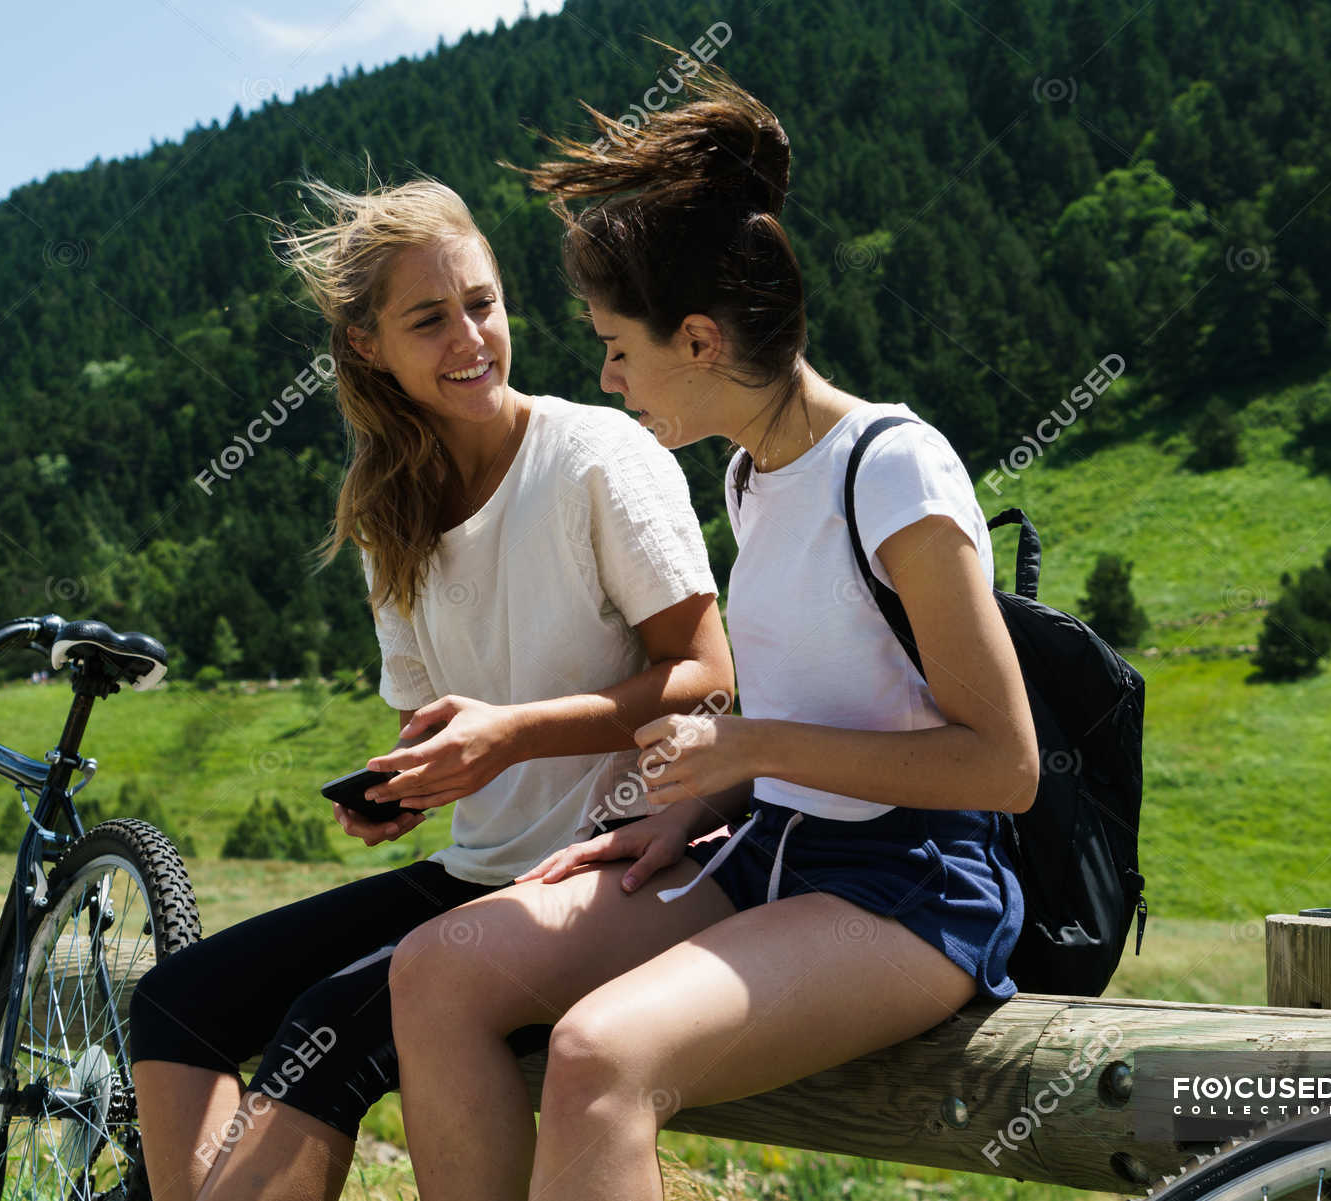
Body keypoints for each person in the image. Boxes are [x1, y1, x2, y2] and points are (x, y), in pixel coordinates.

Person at [387, 72, 1038, 1201]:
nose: (605, 377)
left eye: (616, 348)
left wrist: (745, 753)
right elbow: (824, 714)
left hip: (916, 891)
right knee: (439, 969)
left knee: (601, 1055)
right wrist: (694, 807)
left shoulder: (895, 470)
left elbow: (1004, 764)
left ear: (696, 338)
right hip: (770, 850)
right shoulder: (750, 477)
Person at [126, 176, 734, 1201]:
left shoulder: (597, 458)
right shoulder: (390, 508)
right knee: (178, 999)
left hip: (616, 870)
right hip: (479, 871)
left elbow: (709, 681)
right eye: (430, 318)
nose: (472, 339)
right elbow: (437, 713)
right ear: (369, 344)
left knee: (325, 1026)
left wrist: (510, 736)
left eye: (482, 304)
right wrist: (410, 780)